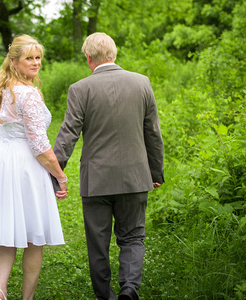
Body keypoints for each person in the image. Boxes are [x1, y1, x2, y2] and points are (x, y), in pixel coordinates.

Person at [52, 32, 164, 300]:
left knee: (97, 244)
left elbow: (68, 135)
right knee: (133, 236)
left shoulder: (80, 89)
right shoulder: (142, 83)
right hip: (136, 177)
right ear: (114, 54)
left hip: (97, 181)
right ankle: (129, 288)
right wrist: (155, 171)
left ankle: (106, 295)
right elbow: (153, 133)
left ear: (89, 58)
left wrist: (55, 173)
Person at [0, 34, 69, 300]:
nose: (36, 63)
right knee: (34, 235)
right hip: (25, 164)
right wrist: (60, 176)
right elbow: (40, 146)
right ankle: (26, 298)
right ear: (15, 61)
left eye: (38, 58)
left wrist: (8, 130)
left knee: (6, 226)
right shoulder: (28, 94)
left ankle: (1, 289)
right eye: (30, 58)